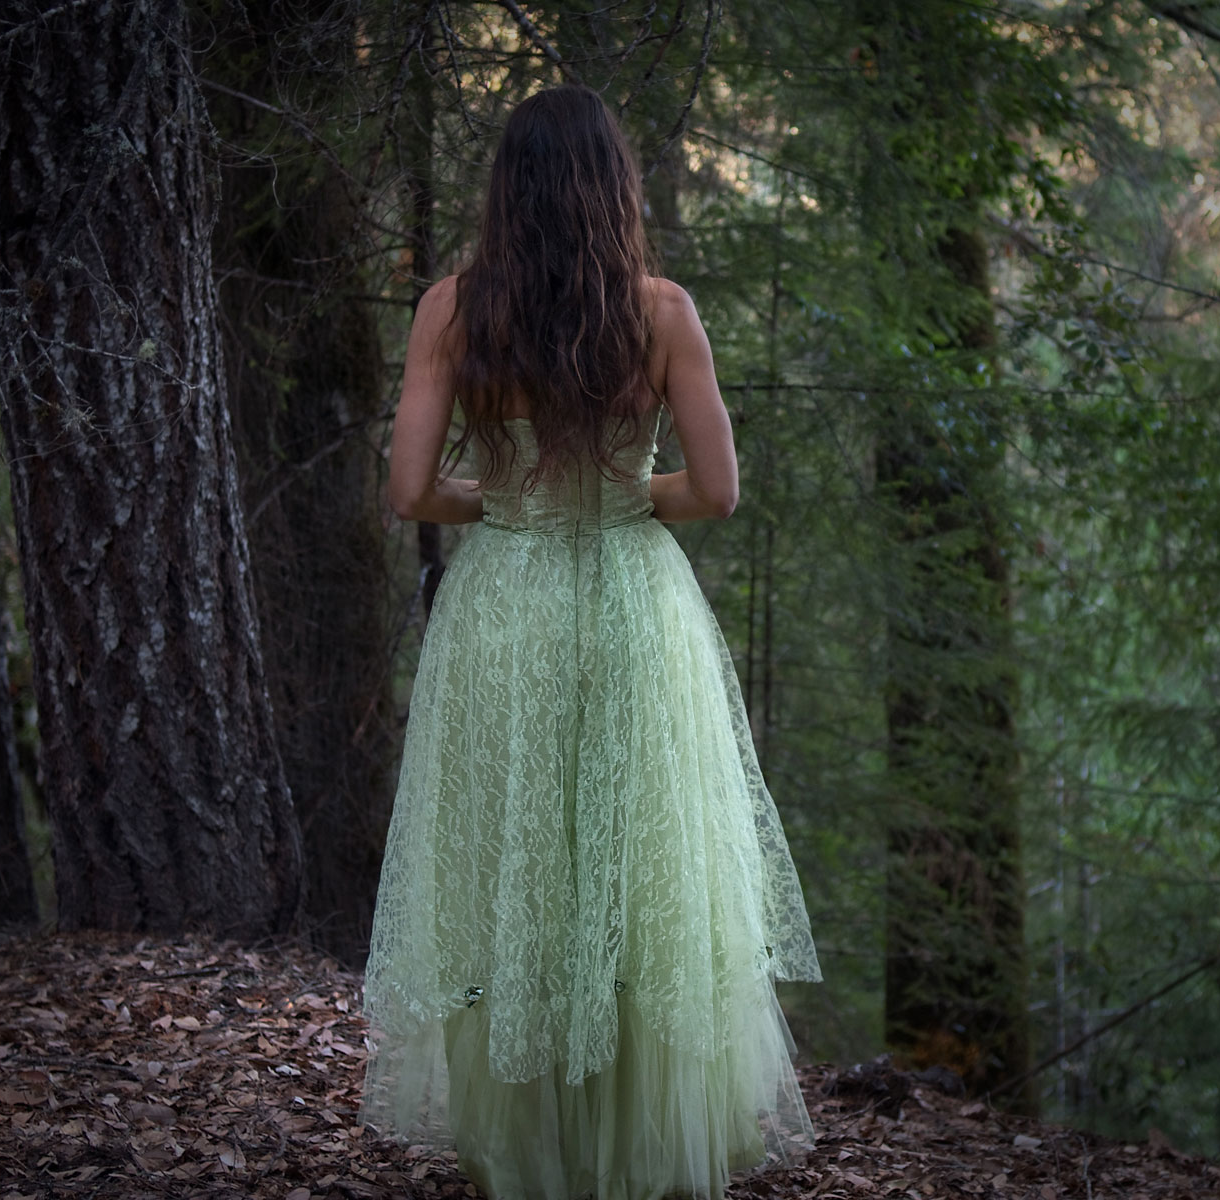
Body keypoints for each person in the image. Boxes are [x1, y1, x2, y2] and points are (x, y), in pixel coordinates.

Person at [358, 83, 821, 1200]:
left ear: (505, 190)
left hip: (504, 610)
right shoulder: (661, 313)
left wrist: (505, 501)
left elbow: (409, 490)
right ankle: (638, 1150)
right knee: (639, 865)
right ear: (615, 187)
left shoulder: (451, 312)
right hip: (630, 601)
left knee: (515, 861)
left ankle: (528, 1152)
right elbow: (716, 491)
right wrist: (618, 496)